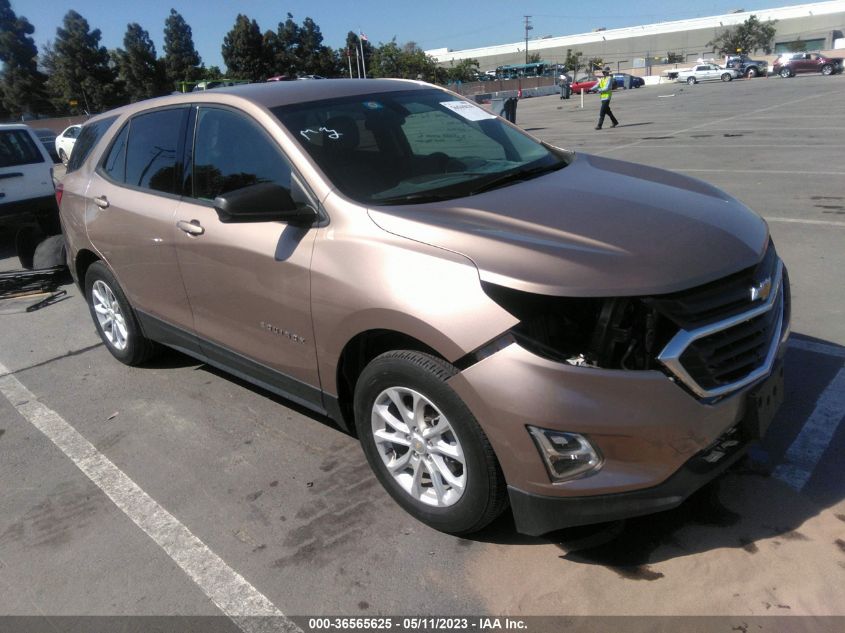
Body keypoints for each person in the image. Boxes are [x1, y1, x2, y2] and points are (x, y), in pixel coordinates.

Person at [595, 66, 619, 130]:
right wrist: (591, 88)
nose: (604, 73)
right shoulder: (602, 79)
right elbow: (597, 85)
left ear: (607, 72)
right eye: (603, 72)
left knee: (602, 112)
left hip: (607, 97)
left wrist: (600, 90)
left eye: (605, 72)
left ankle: (599, 125)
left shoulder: (609, 78)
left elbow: (607, 88)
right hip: (602, 98)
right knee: (608, 111)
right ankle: (615, 122)